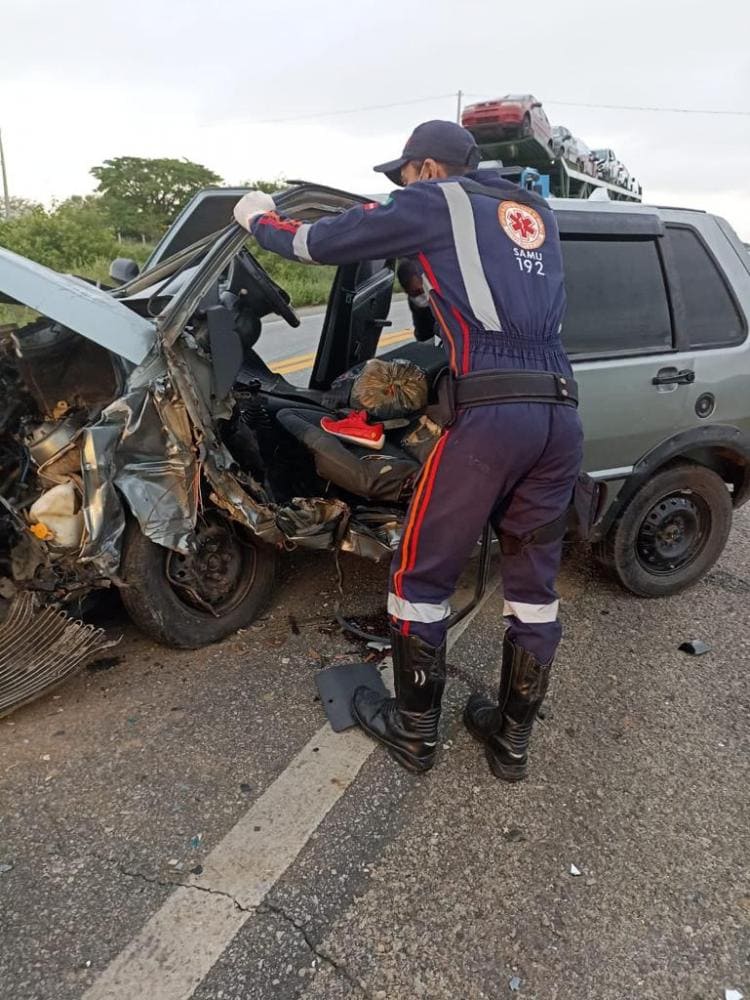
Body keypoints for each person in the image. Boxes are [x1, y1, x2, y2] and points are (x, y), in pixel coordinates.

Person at [233, 120, 584, 782]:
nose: (402, 187)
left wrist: (257, 216)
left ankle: (414, 732)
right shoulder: (532, 210)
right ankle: (510, 741)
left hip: (491, 417)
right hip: (560, 415)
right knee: (534, 587)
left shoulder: (436, 200)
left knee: (420, 576)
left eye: (404, 176)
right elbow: (478, 291)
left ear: (427, 167)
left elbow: (313, 243)